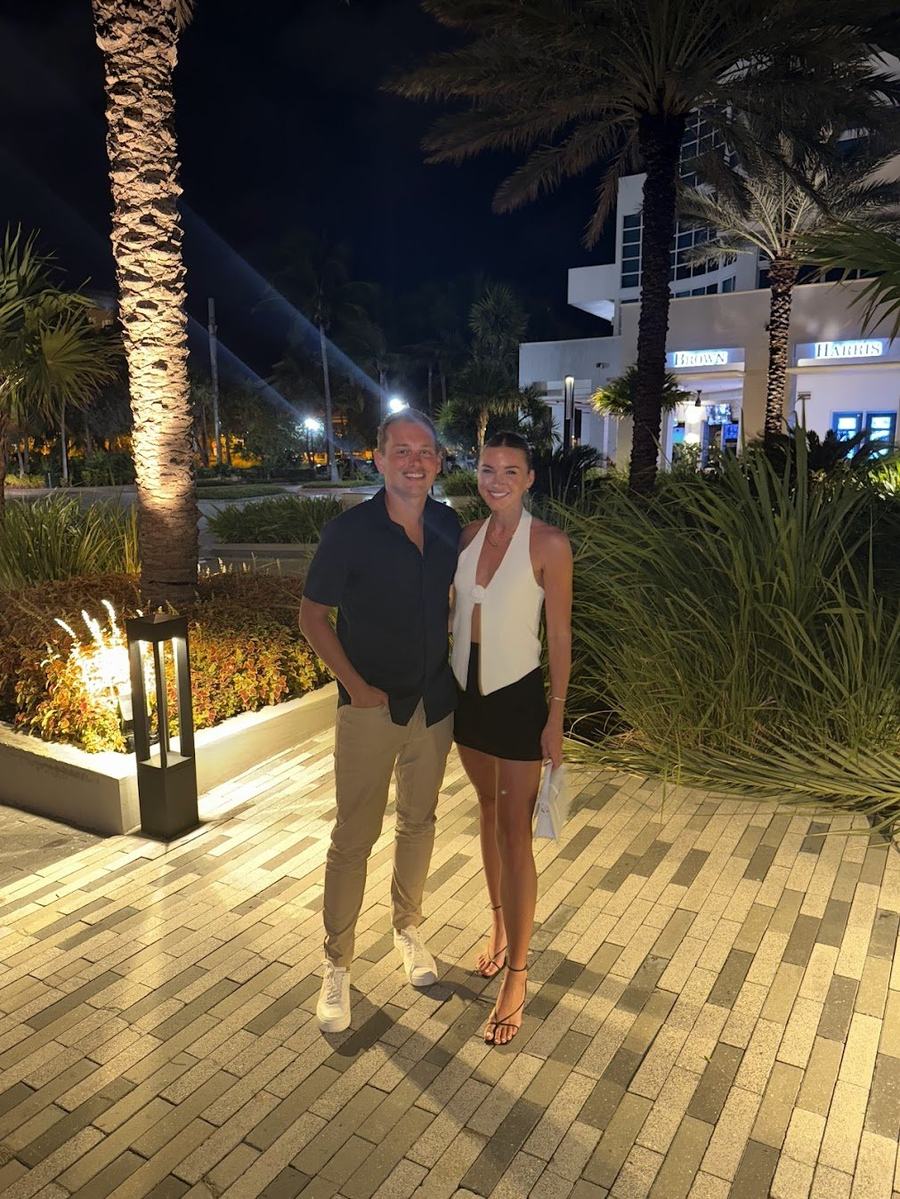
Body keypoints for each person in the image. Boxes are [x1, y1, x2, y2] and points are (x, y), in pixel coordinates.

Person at [299, 410, 461, 1033]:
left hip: (433, 704)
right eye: (402, 451)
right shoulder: (350, 532)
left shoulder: (446, 525)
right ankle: (336, 963)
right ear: (379, 458)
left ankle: (408, 928)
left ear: (438, 462)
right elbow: (312, 617)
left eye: (425, 451)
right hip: (371, 708)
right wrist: (357, 688)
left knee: (419, 823)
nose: (414, 462)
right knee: (353, 837)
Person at [451, 431, 573, 1046]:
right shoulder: (467, 536)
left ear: (529, 479)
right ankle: (499, 925)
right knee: (487, 809)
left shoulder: (548, 543)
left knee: (515, 831)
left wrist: (555, 717)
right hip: (465, 692)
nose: (496, 480)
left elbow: (561, 636)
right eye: (487, 468)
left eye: (510, 470)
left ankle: (518, 973)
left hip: (518, 695)